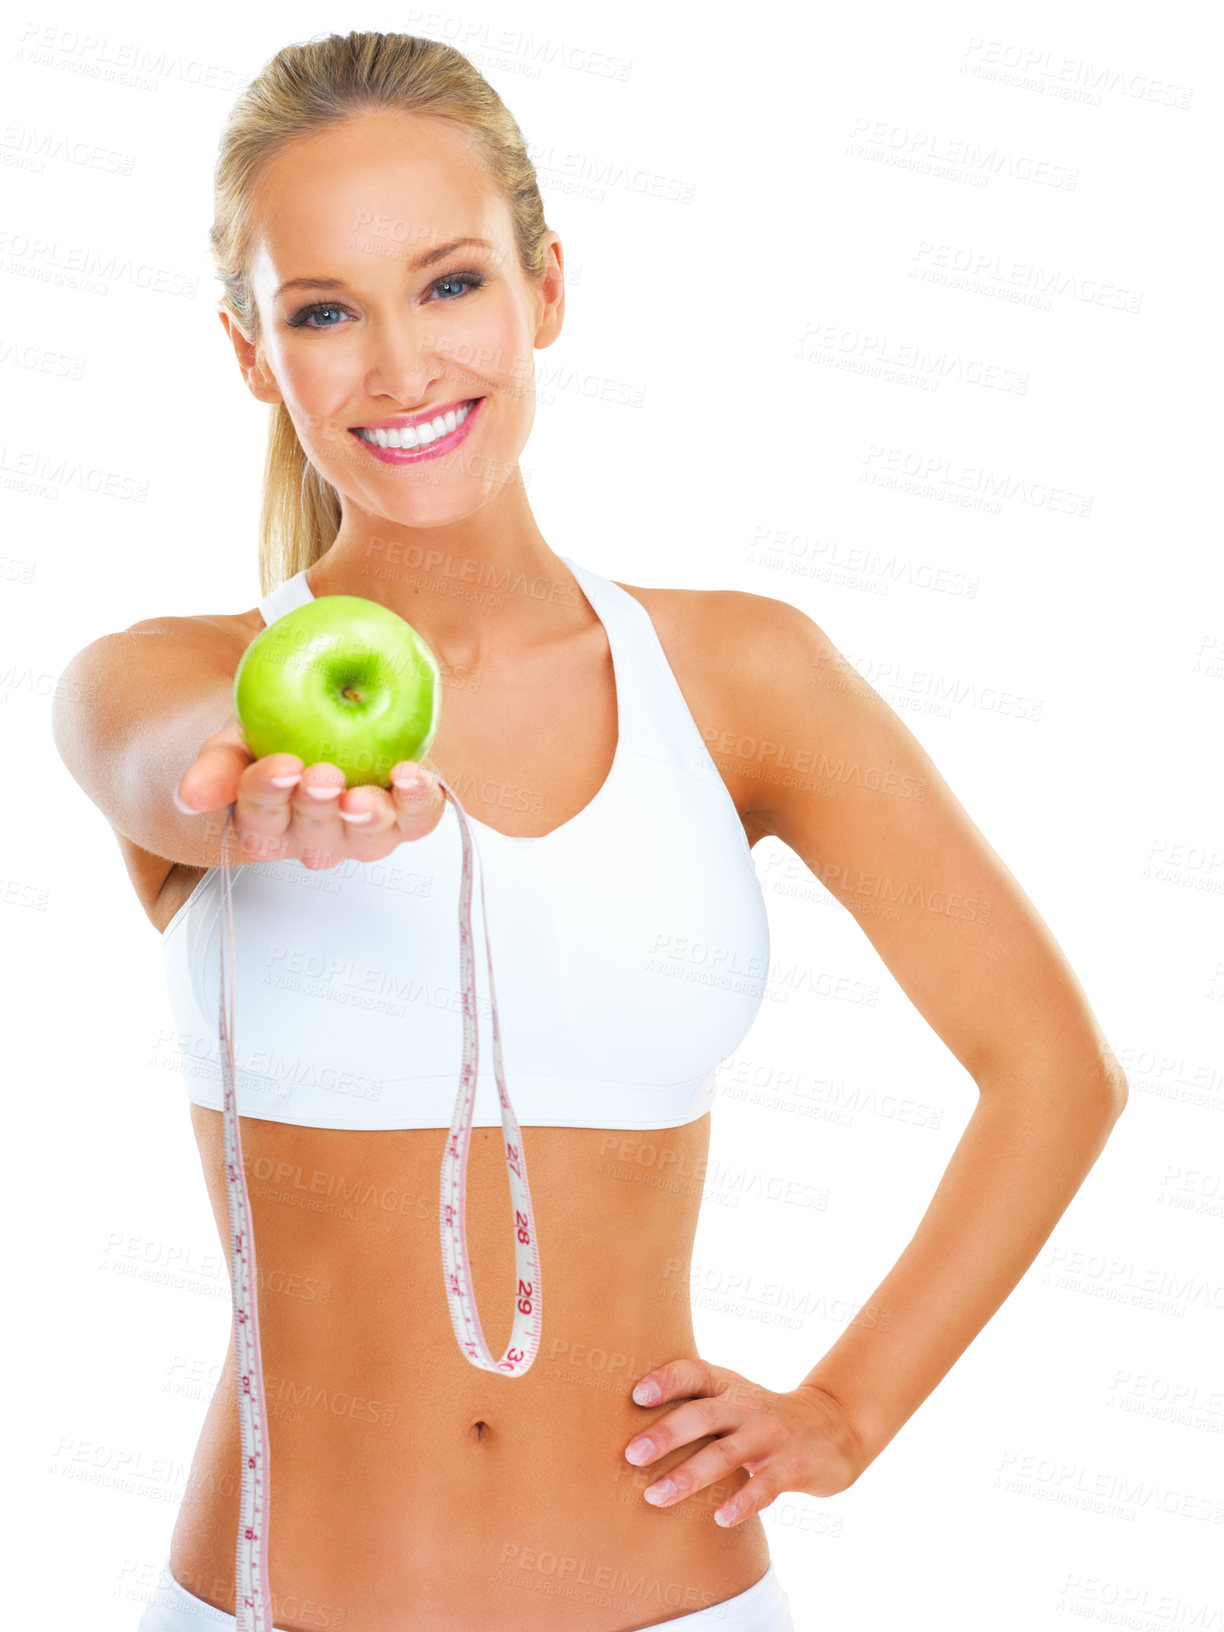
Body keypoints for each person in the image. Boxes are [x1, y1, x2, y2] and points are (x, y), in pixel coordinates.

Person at [51, 29, 1128, 1632]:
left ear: (547, 288)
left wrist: (848, 1412)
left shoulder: (743, 675)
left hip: (677, 1600)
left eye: (451, 283)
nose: (403, 367)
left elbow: (1057, 1072)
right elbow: (164, 768)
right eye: (324, 313)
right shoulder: (173, 679)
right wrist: (249, 790)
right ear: (250, 352)